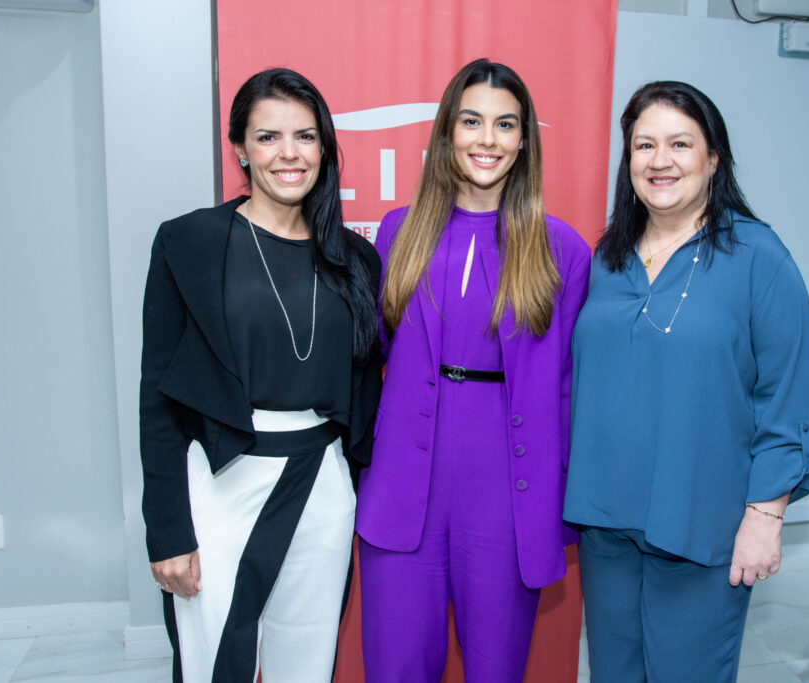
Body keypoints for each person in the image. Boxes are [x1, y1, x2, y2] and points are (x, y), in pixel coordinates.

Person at [564, 81, 809, 683]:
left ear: (713, 160)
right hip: (606, 523)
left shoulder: (759, 257)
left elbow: (788, 399)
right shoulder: (608, 257)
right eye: (644, 145)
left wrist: (766, 517)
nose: (661, 160)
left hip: (702, 525)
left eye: (680, 144)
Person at [140, 68, 381, 683]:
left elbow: (365, 389)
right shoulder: (188, 243)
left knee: (307, 661)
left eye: (305, 136)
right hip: (222, 480)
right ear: (240, 149)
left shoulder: (355, 258)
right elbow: (157, 399)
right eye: (268, 137)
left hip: (323, 484)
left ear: (324, 148)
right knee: (212, 664)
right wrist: (167, 531)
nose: (289, 153)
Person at [354, 58, 591, 682]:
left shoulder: (561, 249)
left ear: (524, 141)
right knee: (395, 667)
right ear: (447, 132)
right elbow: (372, 356)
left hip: (506, 497)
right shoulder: (398, 232)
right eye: (472, 121)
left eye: (505, 124)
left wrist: (564, 500)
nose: (488, 139)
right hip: (403, 485)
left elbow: (568, 388)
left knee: (495, 670)